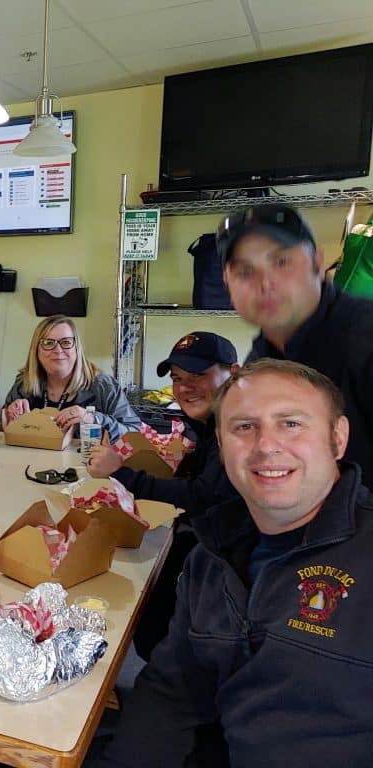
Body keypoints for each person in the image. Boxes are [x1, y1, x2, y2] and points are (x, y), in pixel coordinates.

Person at [99, 359, 373, 767]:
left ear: (338, 438)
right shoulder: (210, 557)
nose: (266, 445)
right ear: (222, 446)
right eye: (245, 427)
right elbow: (172, 691)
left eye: (291, 424)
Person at [87, 331, 240, 660]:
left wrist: (124, 473)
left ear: (235, 373)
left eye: (198, 375)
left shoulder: (239, 427)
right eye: (177, 378)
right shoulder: (212, 422)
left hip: (228, 563)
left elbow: (204, 494)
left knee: (149, 626)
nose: (184, 387)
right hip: (204, 541)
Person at [219, 202, 373, 483]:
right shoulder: (263, 355)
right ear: (226, 283)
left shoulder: (364, 340)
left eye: (281, 262)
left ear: (317, 263)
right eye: (244, 271)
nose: (265, 283)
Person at [2, 314, 140, 438]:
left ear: (77, 348)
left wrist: (92, 419)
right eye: (48, 343)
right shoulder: (24, 382)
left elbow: (134, 433)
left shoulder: (103, 385)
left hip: (86, 464)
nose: (58, 350)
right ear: (36, 350)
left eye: (66, 342)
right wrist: (8, 415)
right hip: (29, 462)